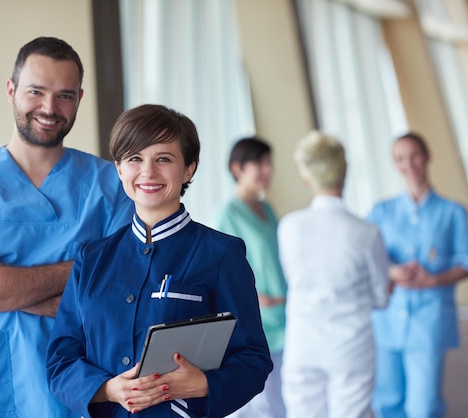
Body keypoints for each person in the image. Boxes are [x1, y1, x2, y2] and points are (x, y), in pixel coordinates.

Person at [0, 37, 134, 417]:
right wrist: (82, 274)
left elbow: (115, 299)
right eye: (36, 91)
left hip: (77, 388)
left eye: (65, 95)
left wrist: (3, 281)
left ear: (80, 98)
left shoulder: (111, 186)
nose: (49, 108)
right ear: (11, 90)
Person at [46, 104, 273, 418]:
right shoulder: (92, 258)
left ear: (189, 169)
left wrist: (204, 383)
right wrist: (109, 389)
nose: (148, 172)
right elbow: (61, 361)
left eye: (163, 159)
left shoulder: (221, 254)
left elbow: (253, 359)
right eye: (135, 159)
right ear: (119, 169)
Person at [277, 131, 390, 418]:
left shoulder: (289, 227)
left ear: (306, 178)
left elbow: (294, 279)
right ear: (345, 171)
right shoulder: (366, 232)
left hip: (303, 344)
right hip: (350, 347)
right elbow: (381, 296)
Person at [367, 132, 468, 418]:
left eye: (414, 155)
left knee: (423, 406)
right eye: (400, 158)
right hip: (388, 320)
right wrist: (391, 269)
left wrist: (433, 280)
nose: (409, 164)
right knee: (388, 401)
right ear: (394, 164)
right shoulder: (381, 211)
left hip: (429, 320)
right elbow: (367, 256)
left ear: (427, 157)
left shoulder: (453, 212)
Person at [214, 136, 287, 418]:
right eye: (259, 163)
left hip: (284, 316)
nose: (267, 170)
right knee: (265, 404)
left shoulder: (267, 209)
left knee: (284, 399)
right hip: (257, 320)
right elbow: (221, 273)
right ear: (237, 168)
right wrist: (252, 298)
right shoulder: (227, 215)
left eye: (269, 163)